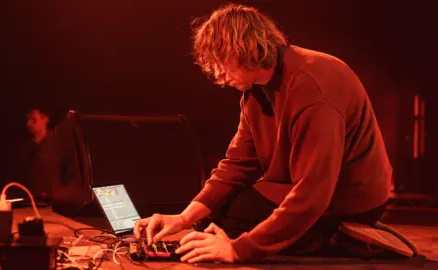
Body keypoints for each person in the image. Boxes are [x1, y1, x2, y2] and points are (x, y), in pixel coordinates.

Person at [134, 3, 395, 263]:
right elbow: (237, 165)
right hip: (298, 186)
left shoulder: (313, 90)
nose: (216, 74)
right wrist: (183, 218)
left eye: (221, 61)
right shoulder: (255, 90)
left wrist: (238, 250)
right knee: (216, 219)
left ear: (246, 50)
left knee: (235, 232)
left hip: (348, 199)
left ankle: (345, 237)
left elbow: (314, 192)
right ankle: (307, 236)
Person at [7, 108, 57, 198]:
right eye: (28, 120)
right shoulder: (24, 148)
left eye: (33, 119)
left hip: (53, 202)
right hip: (32, 202)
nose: (28, 123)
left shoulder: (58, 142)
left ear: (45, 119)